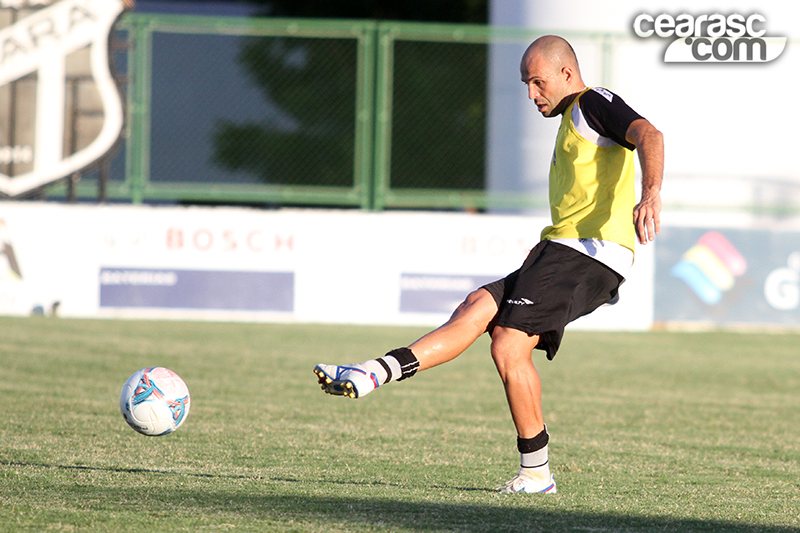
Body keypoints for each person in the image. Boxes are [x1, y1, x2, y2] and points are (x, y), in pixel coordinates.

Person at [314, 35, 664, 495]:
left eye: (538, 82)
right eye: (525, 83)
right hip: (562, 250)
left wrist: (651, 193)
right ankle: (373, 372)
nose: (531, 94)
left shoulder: (592, 101)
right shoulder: (572, 120)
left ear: (566, 73)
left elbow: (649, 134)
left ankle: (537, 472)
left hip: (589, 253)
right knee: (477, 306)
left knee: (508, 345)